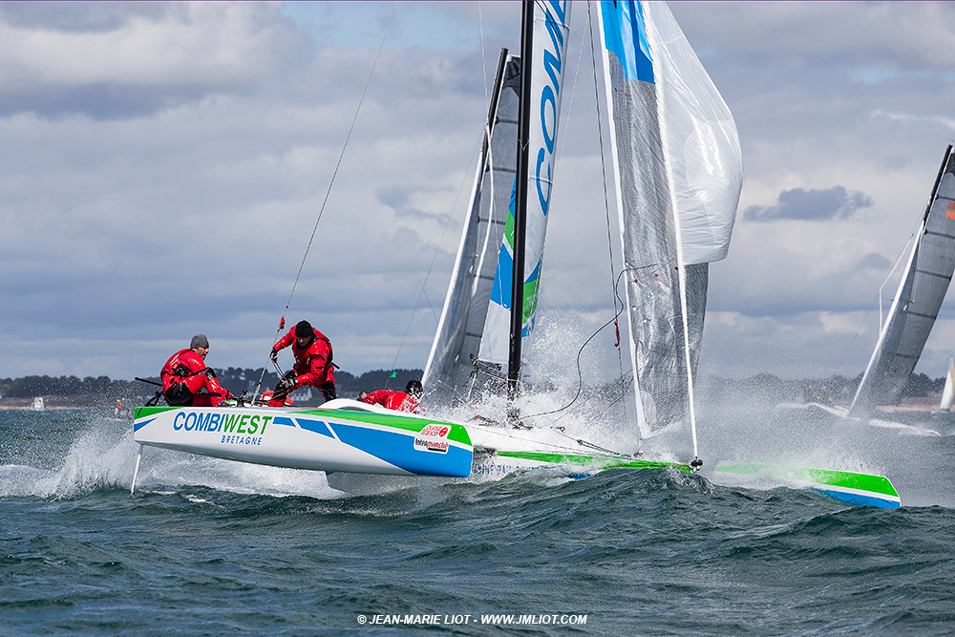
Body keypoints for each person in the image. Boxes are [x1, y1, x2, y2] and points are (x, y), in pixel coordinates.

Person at [268, 320, 336, 406]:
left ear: (310, 336)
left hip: (322, 374)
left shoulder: (318, 348)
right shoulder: (294, 332)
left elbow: (314, 376)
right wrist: (275, 349)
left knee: (331, 399)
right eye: (299, 338)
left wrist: (295, 381)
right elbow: (287, 339)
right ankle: (274, 409)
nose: (301, 341)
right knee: (281, 387)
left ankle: (334, 415)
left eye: (304, 338)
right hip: (300, 369)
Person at [160, 334, 235, 407]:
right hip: (177, 392)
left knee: (210, 400)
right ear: (195, 348)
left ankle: (221, 404)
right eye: (204, 348)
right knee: (208, 372)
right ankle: (219, 404)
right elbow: (206, 378)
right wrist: (228, 394)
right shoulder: (192, 356)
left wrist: (225, 395)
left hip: (174, 398)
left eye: (207, 348)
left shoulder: (186, 358)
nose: (207, 351)